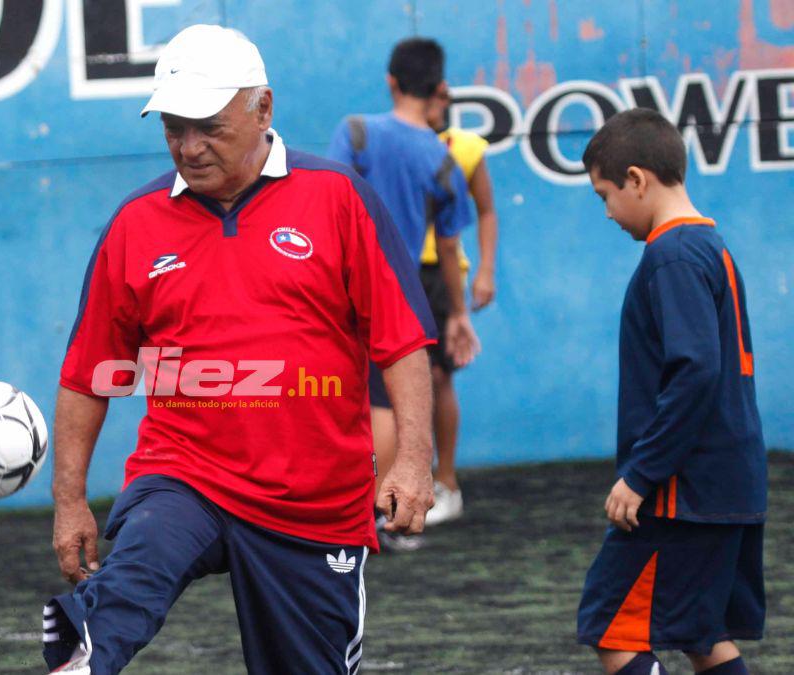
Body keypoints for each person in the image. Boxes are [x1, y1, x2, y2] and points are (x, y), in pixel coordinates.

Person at [43, 24, 437, 674]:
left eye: (208, 126)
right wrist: (69, 500)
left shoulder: (338, 197)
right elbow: (88, 373)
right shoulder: (135, 222)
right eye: (173, 127)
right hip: (185, 470)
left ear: (264, 108)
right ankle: (83, 655)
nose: (189, 147)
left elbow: (401, 344)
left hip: (313, 501)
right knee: (140, 560)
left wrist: (414, 460)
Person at [576, 109, 766, 675]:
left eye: (605, 194)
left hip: (684, 493)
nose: (607, 211)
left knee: (612, 624)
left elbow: (696, 370)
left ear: (637, 179)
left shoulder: (672, 255)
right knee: (700, 633)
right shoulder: (710, 246)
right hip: (725, 483)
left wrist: (641, 472)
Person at [326, 37, 479, 537]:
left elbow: (331, 204)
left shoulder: (355, 133)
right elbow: (452, 248)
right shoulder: (441, 159)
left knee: (358, 401)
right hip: (400, 291)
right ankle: (384, 515)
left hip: (337, 286)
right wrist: (458, 313)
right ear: (437, 87)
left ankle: (366, 513)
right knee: (385, 402)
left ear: (391, 81)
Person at [414, 84, 502, 525]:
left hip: (443, 277)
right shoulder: (394, 143)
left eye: (433, 96)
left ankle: (446, 483)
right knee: (389, 384)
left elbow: (486, 210)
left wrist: (485, 270)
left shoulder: (467, 147)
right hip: (397, 271)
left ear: (445, 98)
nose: (427, 105)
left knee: (437, 375)